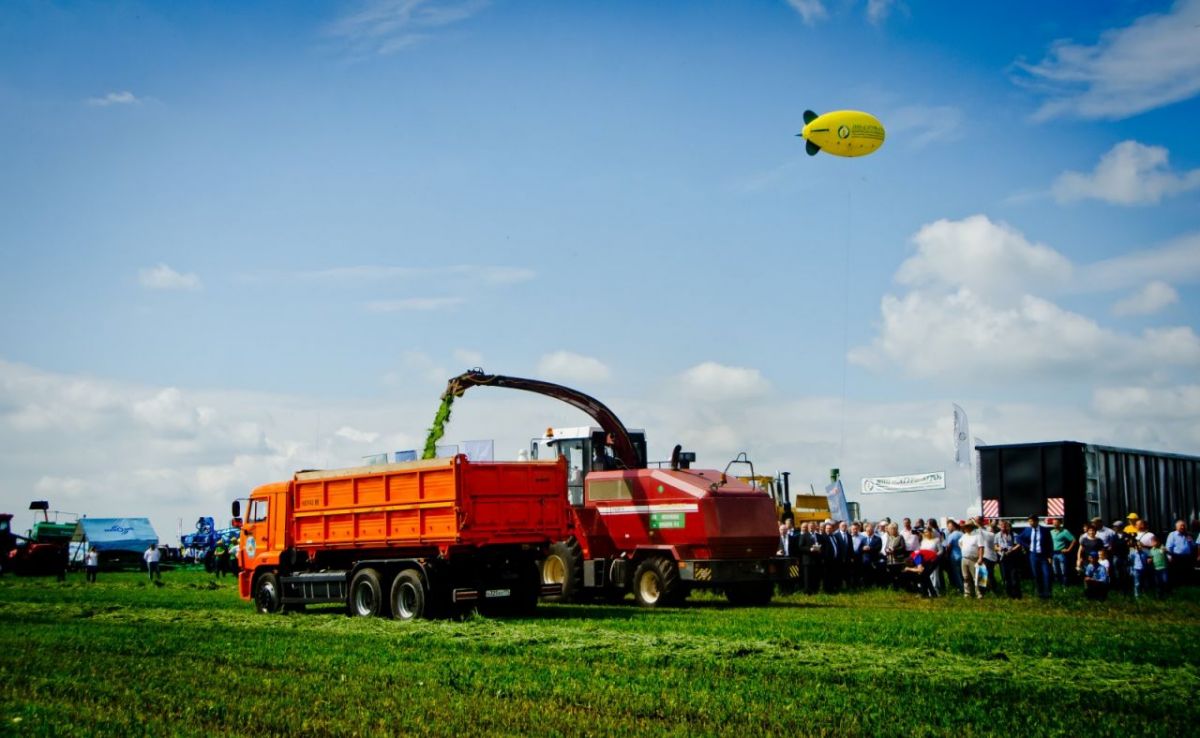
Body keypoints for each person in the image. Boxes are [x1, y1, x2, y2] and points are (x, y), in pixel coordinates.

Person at [1018, 515, 1054, 599]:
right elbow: (1019, 538)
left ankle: (1048, 593)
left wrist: (1050, 556)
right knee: (1036, 574)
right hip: (1033, 556)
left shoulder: (1044, 530)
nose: (1030, 523)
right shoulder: (1028, 530)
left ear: (1037, 521)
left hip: (1043, 556)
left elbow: (1050, 543)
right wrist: (1027, 546)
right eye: (1029, 521)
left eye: (1032, 521)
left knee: (1047, 574)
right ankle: (1040, 593)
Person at [1165, 519, 1195, 589]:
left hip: (1187, 557)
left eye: (1184, 526)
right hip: (1176, 557)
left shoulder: (1188, 534)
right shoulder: (1172, 535)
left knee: (1187, 573)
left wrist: (1191, 541)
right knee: (1177, 574)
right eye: (1181, 526)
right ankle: (1178, 588)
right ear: (1176, 527)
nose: (1183, 527)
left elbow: (1193, 546)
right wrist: (1169, 557)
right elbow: (1169, 547)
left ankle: (1187, 587)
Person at [995, 520, 1022, 598]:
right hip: (1002, 557)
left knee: (1014, 576)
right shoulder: (997, 535)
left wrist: (1011, 550)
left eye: (1005, 526)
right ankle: (1009, 594)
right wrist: (999, 548)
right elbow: (995, 546)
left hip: (1012, 557)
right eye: (1002, 526)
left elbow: (1019, 545)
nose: (1003, 528)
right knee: (1005, 577)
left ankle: (1016, 595)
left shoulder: (1014, 535)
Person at [958, 520, 982, 599]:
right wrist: (963, 549)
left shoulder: (977, 536)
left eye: (967, 527)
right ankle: (967, 593)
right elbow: (960, 543)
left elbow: (980, 547)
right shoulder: (964, 536)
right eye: (965, 527)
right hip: (964, 559)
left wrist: (980, 558)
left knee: (975, 577)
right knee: (965, 577)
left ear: (971, 527)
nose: (965, 528)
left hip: (973, 558)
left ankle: (978, 593)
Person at [1050, 519, 1076, 586]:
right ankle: (1058, 584)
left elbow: (1073, 540)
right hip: (1053, 553)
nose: (1055, 524)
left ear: (1060, 523)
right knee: (1055, 570)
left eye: (1056, 523)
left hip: (1061, 553)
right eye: (1054, 523)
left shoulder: (1064, 531)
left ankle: (1065, 585)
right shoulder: (1051, 532)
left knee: (1063, 570)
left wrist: (1068, 549)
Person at [944, 520, 964, 595]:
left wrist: (947, 555)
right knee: (963, 573)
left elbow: (948, 547)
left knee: (957, 574)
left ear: (953, 526)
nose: (948, 528)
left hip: (954, 556)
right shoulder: (962, 533)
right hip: (963, 555)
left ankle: (960, 589)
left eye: (949, 526)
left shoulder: (952, 535)